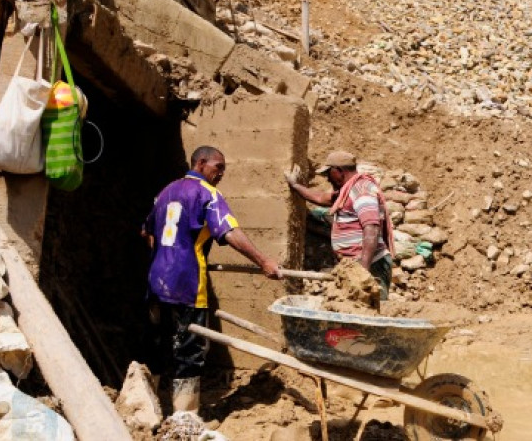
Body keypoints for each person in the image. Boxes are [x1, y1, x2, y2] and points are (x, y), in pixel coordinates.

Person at [141, 145, 280, 415]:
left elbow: (146, 231)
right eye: (219, 167)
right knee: (189, 349)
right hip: (187, 283)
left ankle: (146, 409)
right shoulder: (208, 194)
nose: (221, 174)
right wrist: (263, 261)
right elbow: (229, 232)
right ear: (201, 163)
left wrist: (163, 256)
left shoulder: (165, 192)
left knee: (155, 342)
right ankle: (185, 416)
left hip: (156, 281)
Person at [284, 150, 394, 299]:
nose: (328, 179)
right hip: (354, 265)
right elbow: (321, 198)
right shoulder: (347, 191)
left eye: (328, 174)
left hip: (371, 265)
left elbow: (371, 228)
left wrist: (363, 270)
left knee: (368, 314)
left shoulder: (361, 189)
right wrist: (295, 186)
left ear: (338, 171)